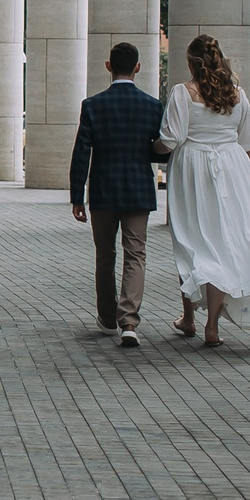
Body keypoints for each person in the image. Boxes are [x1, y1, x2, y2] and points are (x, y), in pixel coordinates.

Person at [155, 33, 250, 347]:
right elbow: (248, 140)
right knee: (220, 244)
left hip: (192, 171)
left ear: (192, 63)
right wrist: (248, 182)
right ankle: (211, 326)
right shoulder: (237, 94)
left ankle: (188, 317)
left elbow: (171, 138)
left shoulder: (183, 93)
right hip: (231, 170)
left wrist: (149, 146)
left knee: (191, 243)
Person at [70, 40, 164, 348]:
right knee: (135, 254)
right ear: (138, 67)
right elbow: (158, 150)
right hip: (138, 190)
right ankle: (129, 321)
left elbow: (81, 153)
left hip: (103, 192)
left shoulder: (92, 105)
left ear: (108, 66)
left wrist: (76, 197)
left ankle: (108, 317)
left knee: (105, 255)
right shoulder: (152, 105)